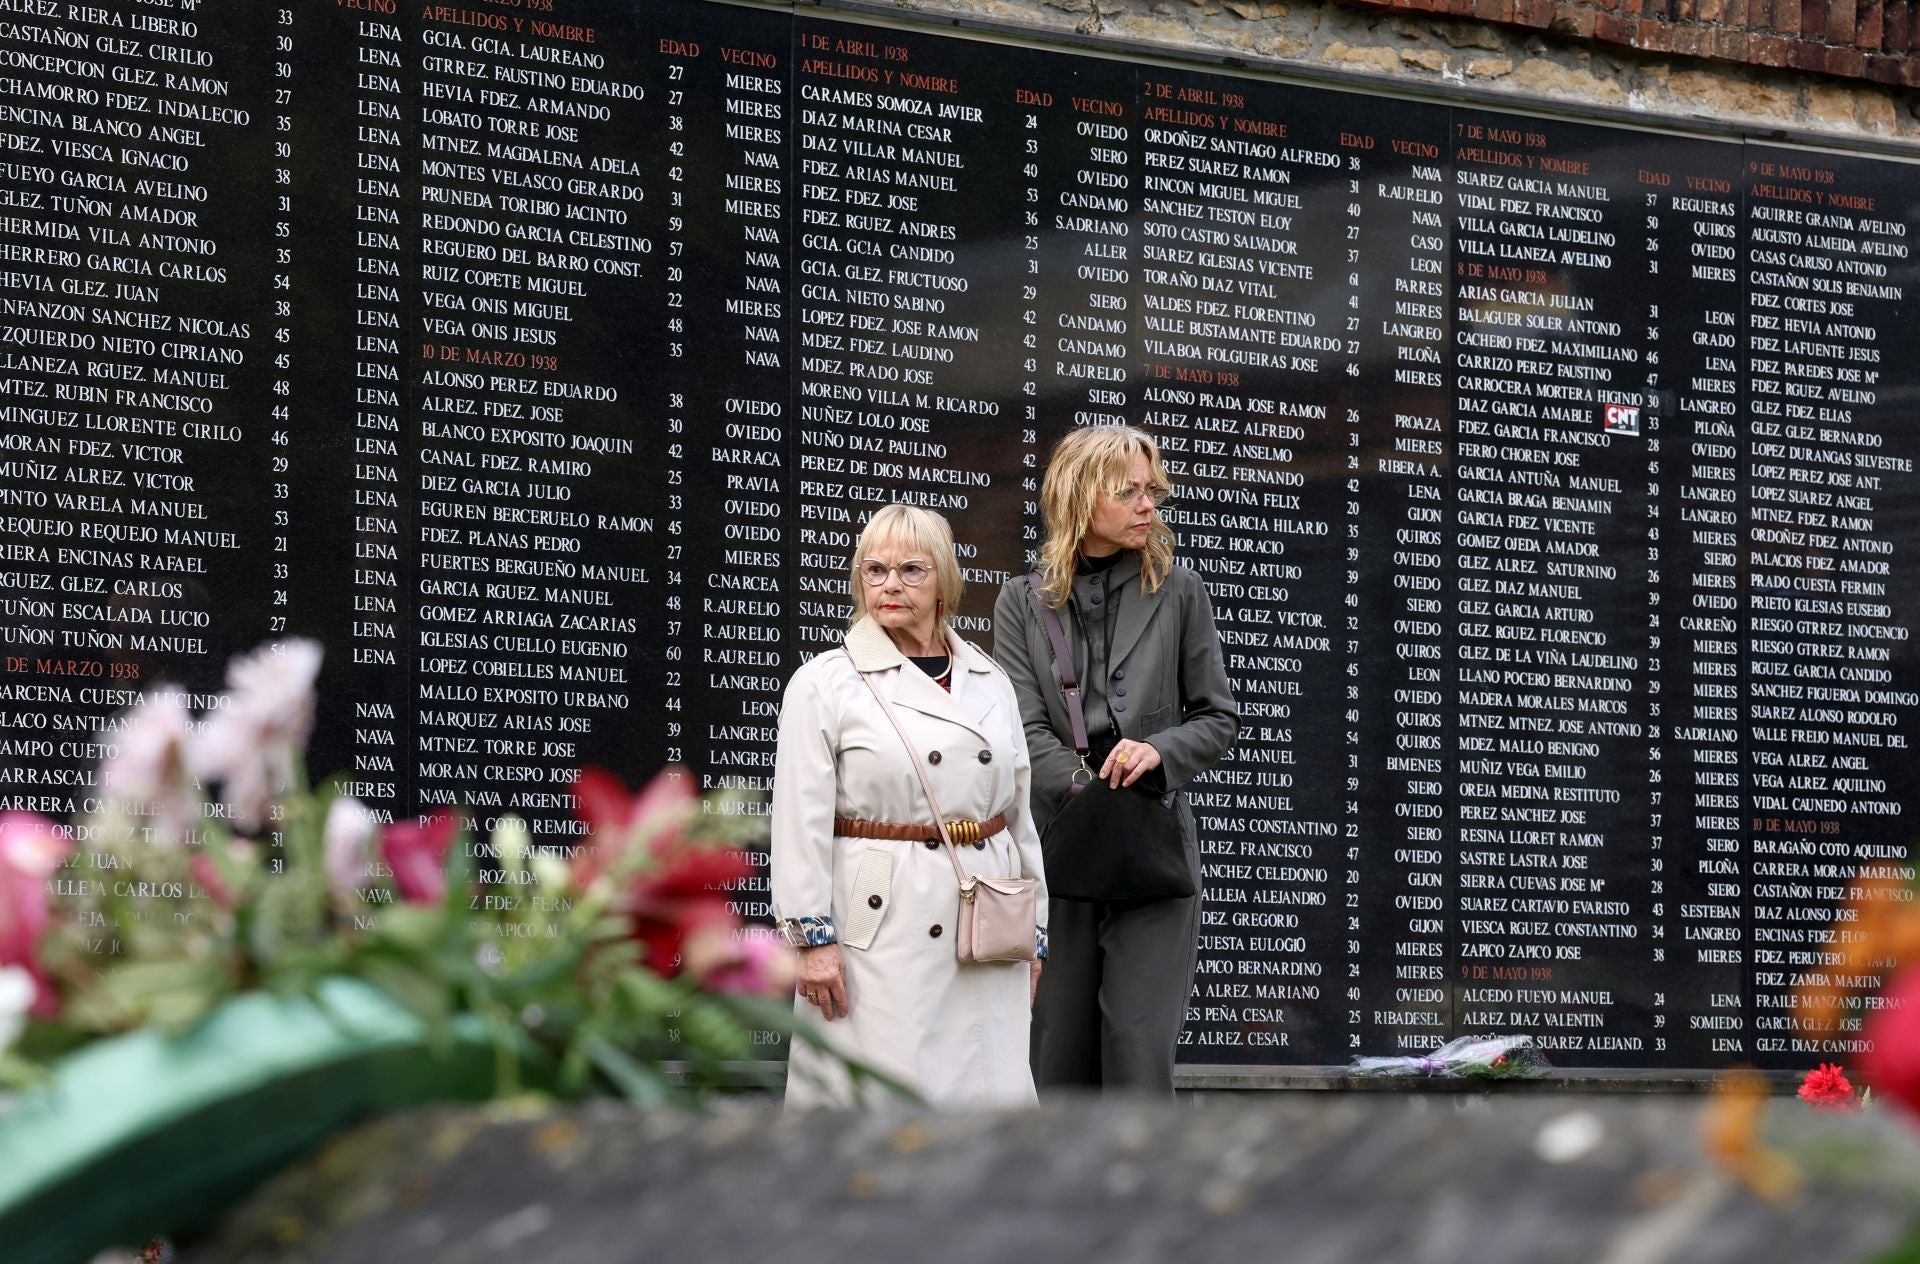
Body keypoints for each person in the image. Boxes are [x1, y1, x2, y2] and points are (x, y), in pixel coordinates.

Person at [771, 503, 1048, 1108]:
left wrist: (1034, 932)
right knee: (880, 1099)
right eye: (874, 569)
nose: (890, 584)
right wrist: (812, 941)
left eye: (911, 569)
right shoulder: (826, 684)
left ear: (945, 580)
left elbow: (1018, 812)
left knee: (985, 1096)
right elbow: (799, 823)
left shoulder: (989, 678)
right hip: (880, 921)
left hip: (985, 923)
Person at [993, 425, 1238, 1093]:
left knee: (1137, 1042)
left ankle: (1143, 1194)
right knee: (1057, 1054)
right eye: (1127, 492)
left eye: (1151, 492)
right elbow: (1021, 725)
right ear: (1078, 496)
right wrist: (1082, 787)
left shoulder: (1180, 589)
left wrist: (1157, 751)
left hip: (1151, 847)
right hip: (1062, 848)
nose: (1146, 506)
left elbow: (1218, 718)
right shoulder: (1022, 600)